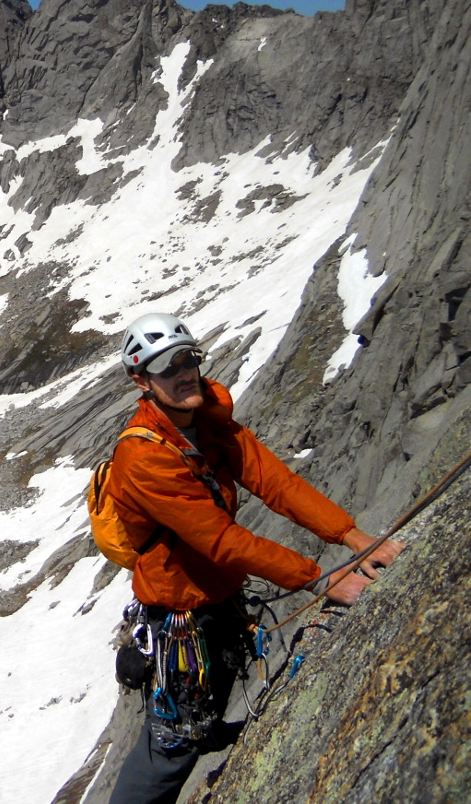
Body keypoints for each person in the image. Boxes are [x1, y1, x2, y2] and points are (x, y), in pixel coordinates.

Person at [106, 313, 402, 804]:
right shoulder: (143, 458)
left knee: (196, 727)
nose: (184, 373)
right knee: (172, 750)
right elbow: (223, 541)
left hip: (217, 605)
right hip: (180, 619)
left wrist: (353, 537)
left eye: (188, 359)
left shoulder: (209, 424)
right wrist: (321, 579)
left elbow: (276, 483)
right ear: (142, 381)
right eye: (167, 367)